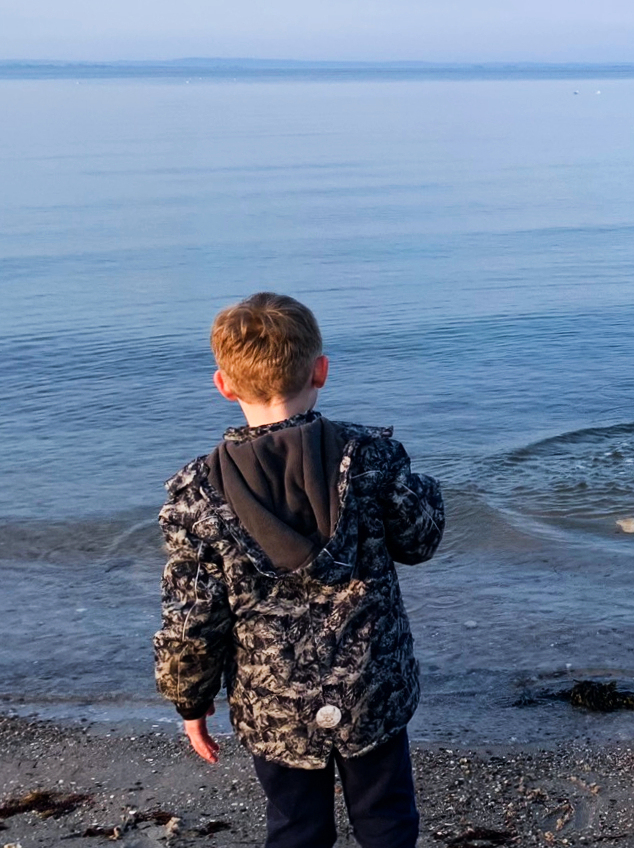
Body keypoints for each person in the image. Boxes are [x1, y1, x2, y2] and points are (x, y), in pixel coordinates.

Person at [154, 293, 444, 848]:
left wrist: (190, 699)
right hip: (370, 685)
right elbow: (421, 538)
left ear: (224, 385)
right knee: (387, 819)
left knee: (295, 829)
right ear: (321, 371)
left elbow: (191, 617)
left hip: (274, 699)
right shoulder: (370, 458)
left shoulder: (196, 494)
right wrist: (421, 488)